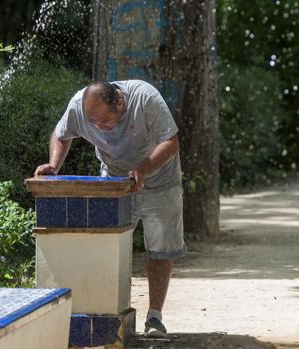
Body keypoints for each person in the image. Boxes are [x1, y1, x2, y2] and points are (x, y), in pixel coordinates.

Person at [34, 80, 185, 338]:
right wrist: (53, 165)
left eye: (105, 121)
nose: (99, 127)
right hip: (114, 182)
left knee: (160, 248)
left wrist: (143, 170)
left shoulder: (145, 98)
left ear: (120, 103)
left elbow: (171, 142)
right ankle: (107, 312)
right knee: (108, 244)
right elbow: (61, 134)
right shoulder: (79, 106)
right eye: (93, 122)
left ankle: (155, 318)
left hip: (159, 180)